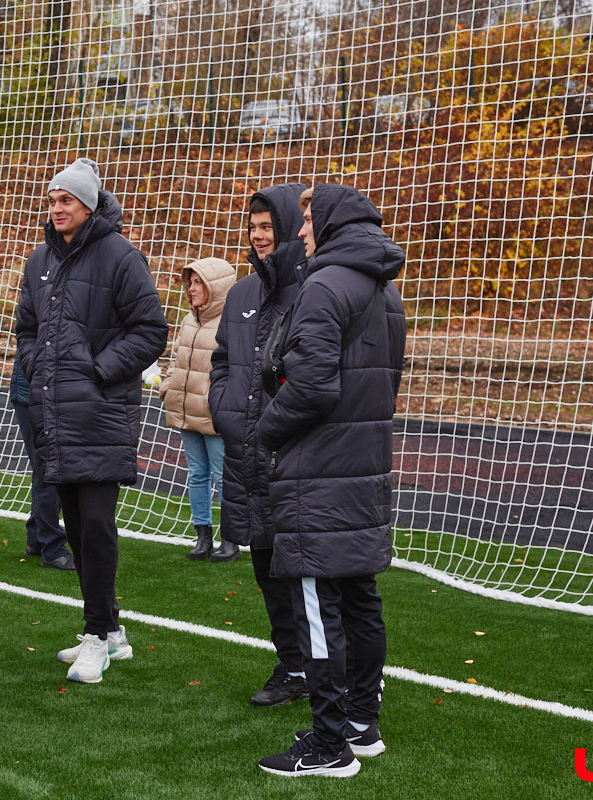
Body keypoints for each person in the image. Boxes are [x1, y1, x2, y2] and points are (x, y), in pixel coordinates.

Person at [255, 184, 407, 778]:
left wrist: (266, 431)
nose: (299, 231)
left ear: (336, 221)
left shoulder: (323, 285)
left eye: (309, 218)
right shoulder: (385, 289)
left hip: (318, 470)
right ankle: (362, 724)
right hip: (363, 463)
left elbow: (314, 386)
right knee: (361, 596)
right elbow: (384, 382)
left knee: (318, 605)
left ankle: (329, 744)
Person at [16, 158, 168, 683]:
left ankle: (99, 636)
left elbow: (151, 331)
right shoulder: (39, 260)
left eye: (68, 200)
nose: (57, 208)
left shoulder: (121, 255)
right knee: (77, 528)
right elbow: (26, 329)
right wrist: (40, 366)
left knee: (97, 527)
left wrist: (98, 370)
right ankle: (110, 631)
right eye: (53, 199)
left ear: (90, 204)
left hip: (102, 415)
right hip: (56, 415)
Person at [209, 184, 311, 707]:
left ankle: (320, 669)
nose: (257, 235)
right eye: (253, 226)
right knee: (266, 567)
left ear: (293, 226)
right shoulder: (244, 293)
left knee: (301, 572)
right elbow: (222, 360)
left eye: (267, 226)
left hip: (293, 459)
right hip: (245, 456)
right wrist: (224, 410)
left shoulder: (315, 289)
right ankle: (291, 665)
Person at [159, 257, 238, 562]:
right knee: (197, 474)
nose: (191, 289)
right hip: (185, 410)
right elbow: (177, 357)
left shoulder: (231, 323)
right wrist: (169, 388)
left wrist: (219, 403)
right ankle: (202, 535)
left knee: (223, 475)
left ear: (215, 287)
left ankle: (230, 540)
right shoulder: (188, 319)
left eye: (197, 282)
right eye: (189, 282)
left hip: (214, 415)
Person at [9, 359, 73, 570]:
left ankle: (37, 538)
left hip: (42, 392)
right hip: (37, 394)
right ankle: (52, 548)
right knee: (50, 469)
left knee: (47, 467)